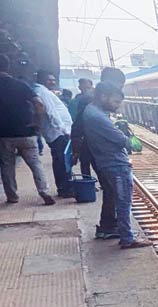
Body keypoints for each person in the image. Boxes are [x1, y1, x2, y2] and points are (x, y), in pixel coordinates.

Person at [82, 82, 149, 249]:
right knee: (124, 201)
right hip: (115, 164)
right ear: (103, 97)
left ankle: (121, 232)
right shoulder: (97, 117)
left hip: (106, 161)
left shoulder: (92, 110)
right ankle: (127, 238)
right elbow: (122, 141)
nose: (117, 106)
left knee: (119, 198)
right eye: (115, 102)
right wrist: (126, 138)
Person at [0, 55, 55, 205]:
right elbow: (39, 103)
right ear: (8, 67)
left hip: (4, 135)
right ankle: (44, 191)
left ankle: (12, 196)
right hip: (27, 132)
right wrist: (36, 122)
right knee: (35, 163)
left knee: (7, 166)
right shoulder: (21, 85)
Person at [34, 71, 73, 198]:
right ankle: (64, 189)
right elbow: (51, 113)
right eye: (49, 79)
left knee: (60, 160)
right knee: (61, 161)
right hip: (57, 133)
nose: (53, 82)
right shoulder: (43, 92)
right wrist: (64, 130)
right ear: (41, 79)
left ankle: (64, 187)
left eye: (53, 79)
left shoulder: (43, 91)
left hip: (56, 133)